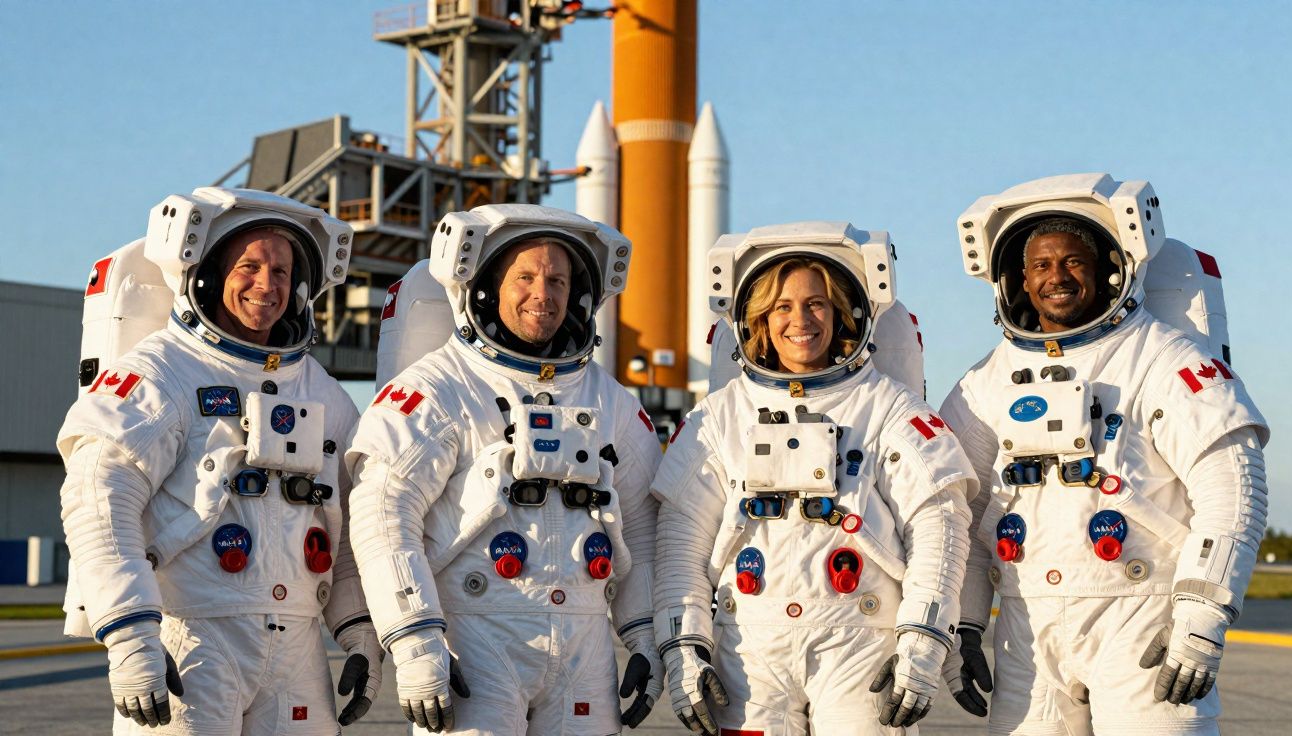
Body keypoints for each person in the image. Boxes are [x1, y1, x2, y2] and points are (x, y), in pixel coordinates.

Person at [941, 174, 1268, 735]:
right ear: (1018, 280)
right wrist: (965, 623)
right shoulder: (984, 383)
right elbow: (956, 513)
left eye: (1073, 262)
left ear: (1108, 270)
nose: (1056, 276)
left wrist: (1202, 615)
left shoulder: (1162, 359)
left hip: (1141, 617)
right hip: (1028, 628)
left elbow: (1233, 485)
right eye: (1041, 265)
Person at [58, 187, 380, 734]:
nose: (267, 284)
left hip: (297, 651)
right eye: (249, 266)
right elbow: (98, 503)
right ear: (206, 274)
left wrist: (359, 634)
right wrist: (131, 634)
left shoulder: (324, 396)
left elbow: (351, 529)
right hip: (193, 639)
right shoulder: (162, 375)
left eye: (281, 271)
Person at [347, 204, 664, 735]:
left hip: (584, 656)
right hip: (473, 648)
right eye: (526, 276)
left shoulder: (610, 402)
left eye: (558, 279)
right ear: (488, 287)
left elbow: (644, 531)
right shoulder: (439, 388)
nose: (544, 294)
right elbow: (383, 515)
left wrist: (645, 637)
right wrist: (415, 642)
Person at [652, 222, 977, 734]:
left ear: (842, 313)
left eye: (816, 304)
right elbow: (678, 543)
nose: (800, 320)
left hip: (862, 647)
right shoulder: (720, 417)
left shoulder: (886, 408)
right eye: (782, 306)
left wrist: (922, 642)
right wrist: (683, 647)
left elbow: (940, 526)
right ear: (757, 317)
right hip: (749, 653)